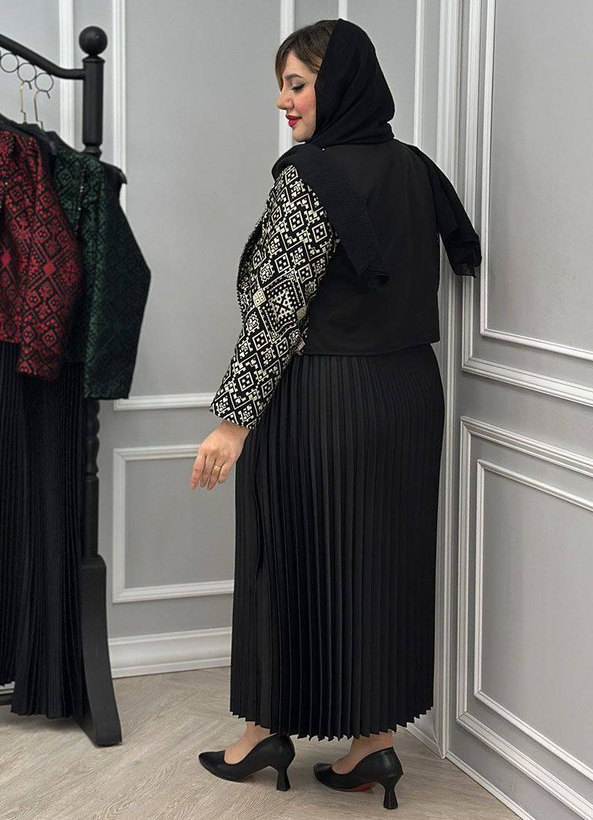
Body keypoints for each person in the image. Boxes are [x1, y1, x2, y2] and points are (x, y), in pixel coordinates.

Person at [191, 18, 481, 812]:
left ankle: (262, 731)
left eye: (296, 84)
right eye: (281, 86)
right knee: (382, 566)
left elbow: (277, 308)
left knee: (282, 557)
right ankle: (373, 744)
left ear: (337, 81)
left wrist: (232, 420)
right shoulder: (416, 167)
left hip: (323, 396)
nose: (283, 101)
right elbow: (461, 250)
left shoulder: (311, 175)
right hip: (409, 394)